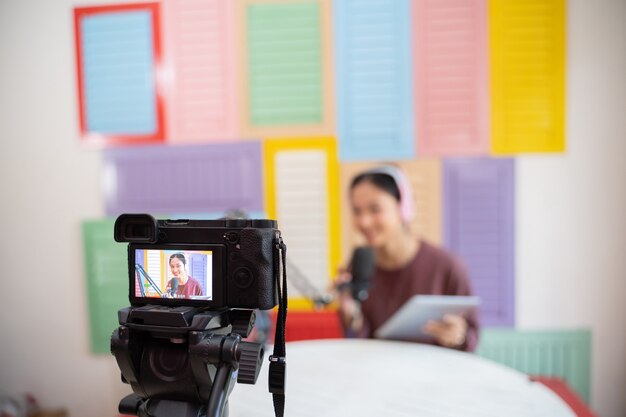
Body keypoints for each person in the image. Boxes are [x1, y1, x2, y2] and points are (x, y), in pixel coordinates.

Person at [337, 166, 480, 352]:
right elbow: (361, 341)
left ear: (403, 208)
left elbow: (471, 340)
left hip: (434, 374)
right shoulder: (358, 266)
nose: (364, 221)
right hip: (379, 374)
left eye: (375, 209)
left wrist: (457, 336)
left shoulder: (447, 266)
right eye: (357, 211)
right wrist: (350, 315)